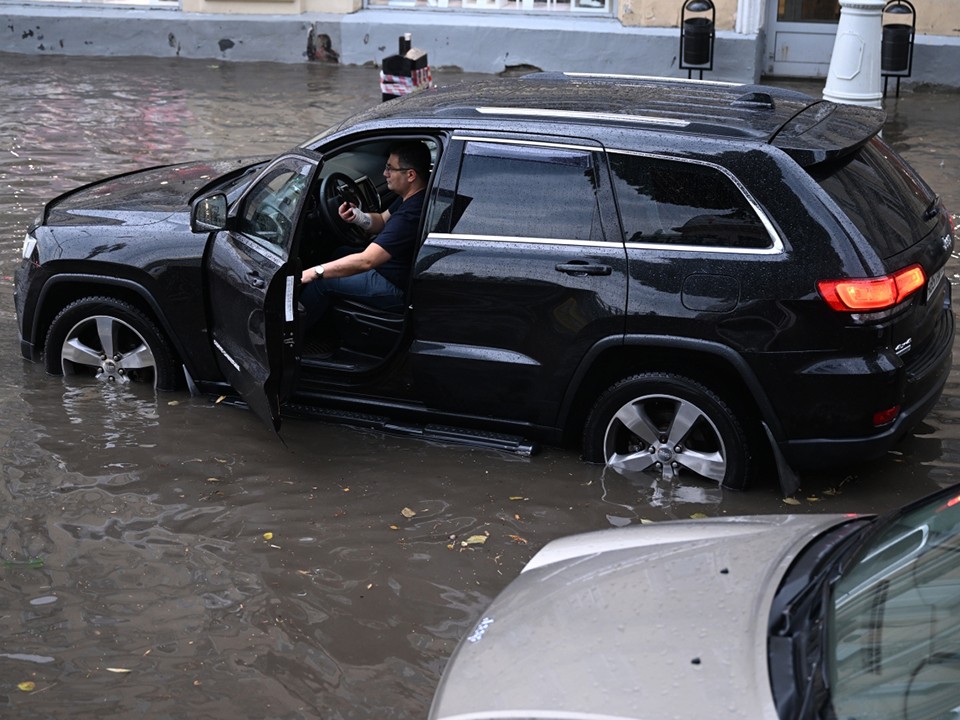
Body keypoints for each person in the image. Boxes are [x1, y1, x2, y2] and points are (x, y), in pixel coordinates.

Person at [299, 140, 430, 331]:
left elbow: (367, 261)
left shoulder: (411, 215)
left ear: (410, 175)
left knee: (320, 283)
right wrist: (358, 217)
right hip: (391, 267)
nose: (385, 174)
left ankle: (294, 336)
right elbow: (382, 221)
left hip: (396, 285)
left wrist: (314, 272)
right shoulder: (414, 196)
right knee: (339, 252)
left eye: (390, 169)